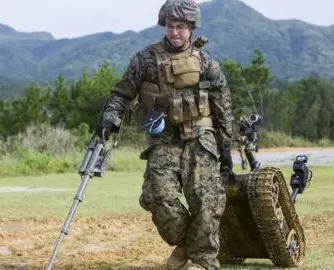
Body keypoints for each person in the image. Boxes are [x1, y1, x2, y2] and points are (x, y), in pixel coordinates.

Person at [96, 0, 233, 269]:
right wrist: (109, 118)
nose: (174, 32)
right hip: (162, 139)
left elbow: (222, 105)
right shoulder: (145, 59)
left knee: (207, 200)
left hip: (200, 138)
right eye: (170, 26)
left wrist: (226, 147)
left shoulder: (206, 63)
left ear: (192, 28)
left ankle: (203, 260)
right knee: (157, 197)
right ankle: (184, 245)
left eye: (180, 27)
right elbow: (121, 93)